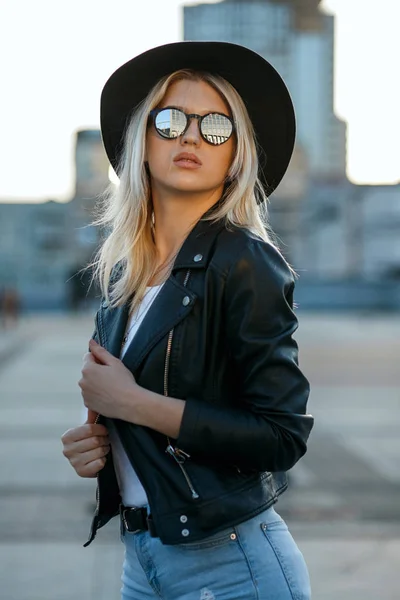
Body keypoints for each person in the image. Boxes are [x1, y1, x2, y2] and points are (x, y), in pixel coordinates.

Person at [61, 41, 314, 599]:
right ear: (142, 142)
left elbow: (281, 435)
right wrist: (97, 451)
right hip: (143, 560)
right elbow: (131, 419)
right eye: (171, 119)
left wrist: (134, 404)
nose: (192, 135)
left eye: (216, 125)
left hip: (232, 565)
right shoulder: (125, 280)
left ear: (236, 153)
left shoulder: (244, 261)